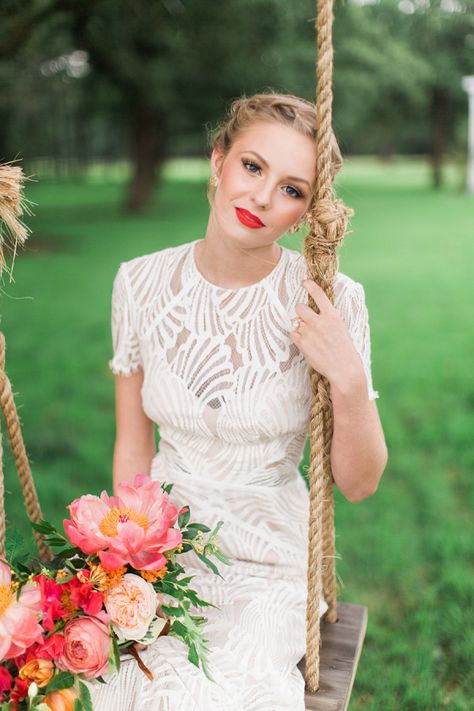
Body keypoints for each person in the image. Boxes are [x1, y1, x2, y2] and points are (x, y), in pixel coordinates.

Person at [88, 92, 388, 711]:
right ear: (218, 159)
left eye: (291, 189)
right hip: (164, 546)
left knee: (210, 691)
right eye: (252, 167)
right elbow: (133, 443)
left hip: (269, 561)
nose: (260, 197)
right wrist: (125, 556)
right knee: (107, 683)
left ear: (308, 211)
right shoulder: (139, 283)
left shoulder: (329, 300)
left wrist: (349, 379)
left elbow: (358, 485)